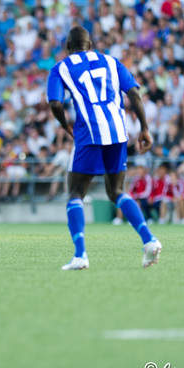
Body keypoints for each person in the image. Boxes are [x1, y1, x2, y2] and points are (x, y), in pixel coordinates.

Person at [47, 26, 162, 270]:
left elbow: (55, 102)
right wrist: (144, 128)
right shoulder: (110, 61)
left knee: (76, 193)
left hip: (88, 132)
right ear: (90, 44)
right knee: (117, 191)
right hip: (118, 131)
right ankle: (149, 240)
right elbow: (134, 92)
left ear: (68, 48)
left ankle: (80, 255)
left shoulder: (62, 67)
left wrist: (65, 125)